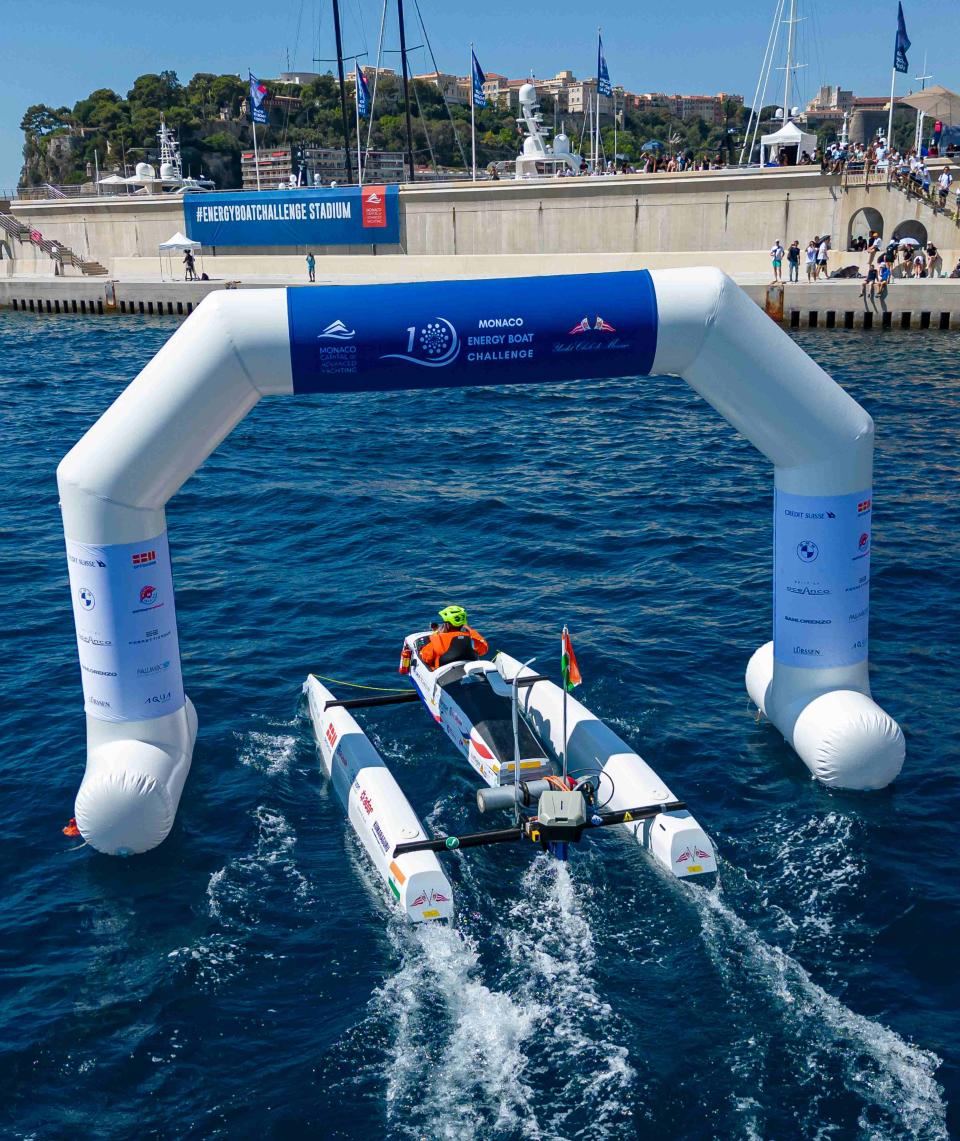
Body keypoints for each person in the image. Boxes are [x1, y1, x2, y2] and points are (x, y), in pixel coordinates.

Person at [418, 606, 489, 670]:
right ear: (464, 623)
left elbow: (426, 658)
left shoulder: (437, 639)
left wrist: (422, 648)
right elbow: (484, 649)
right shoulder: (471, 639)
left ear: (447, 625)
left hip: (443, 675)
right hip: (467, 670)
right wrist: (471, 630)